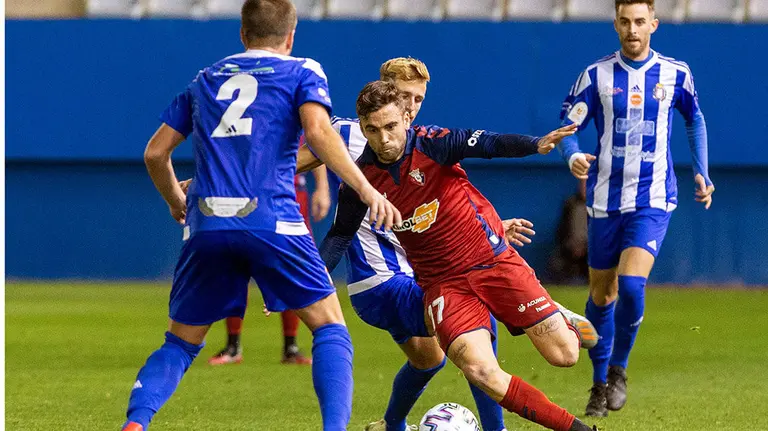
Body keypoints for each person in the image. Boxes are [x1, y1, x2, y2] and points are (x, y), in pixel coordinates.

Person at [120, 1, 399, 430]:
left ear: (242, 34)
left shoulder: (205, 79)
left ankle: (135, 424)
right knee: (329, 329)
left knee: (179, 343)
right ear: (290, 36)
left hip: (207, 223)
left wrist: (176, 200)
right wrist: (364, 187)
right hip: (274, 220)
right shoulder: (303, 70)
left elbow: (156, 153)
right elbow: (320, 133)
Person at [320, 80, 596, 431]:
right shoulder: (361, 181)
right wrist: (307, 281)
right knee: (480, 370)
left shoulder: (434, 144)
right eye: (373, 130)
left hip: (493, 262)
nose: (384, 139)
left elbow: (488, 144)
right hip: (443, 286)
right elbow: (340, 234)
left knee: (565, 355)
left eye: (391, 127)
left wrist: (535, 144)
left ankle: (555, 313)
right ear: (363, 128)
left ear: (406, 119)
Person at [298, 57, 539, 431]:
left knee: (430, 358)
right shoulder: (348, 133)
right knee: (477, 314)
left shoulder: (418, 143)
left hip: (412, 274)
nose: (412, 105)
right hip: (381, 280)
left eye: (419, 99)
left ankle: (391, 425)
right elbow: (285, 163)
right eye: (405, 95)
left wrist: (488, 230)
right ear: (385, 91)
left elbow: (441, 209)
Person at [556, 0, 714, 417]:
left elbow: (694, 119)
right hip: (605, 201)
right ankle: (598, 383)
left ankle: (619, 370)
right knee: (600, 295)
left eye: (640, 21)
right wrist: (572, 154)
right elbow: (570, 126)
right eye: (625, 21)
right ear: (615, 24)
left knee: (630, 286)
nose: (632, 29)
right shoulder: (596, 75)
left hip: (653, 199)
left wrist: (702, 171)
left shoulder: (676, 73)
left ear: (654, 25)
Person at [207, 169, 331, 366]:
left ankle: (291, 346)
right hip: (246, 192)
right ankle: (233, 345)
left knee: (292, 267)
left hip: (290, 194)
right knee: (235, 263)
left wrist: (323, 188)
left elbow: (317, 142)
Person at [547, 179, 588, 285]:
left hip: (592, 249)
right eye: (583, 184)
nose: (585, 188)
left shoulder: (602, 208)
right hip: (570, 248)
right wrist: (571, 245)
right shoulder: (570, 204)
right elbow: (562, 229)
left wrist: (585, 246)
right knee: (556, 261)